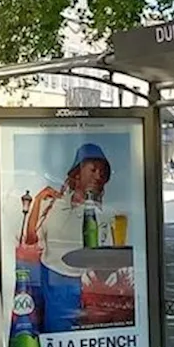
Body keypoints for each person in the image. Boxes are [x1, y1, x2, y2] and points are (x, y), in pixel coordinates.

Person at [18, 143, 111, 333]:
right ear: (77, 174)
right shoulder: (55, 205)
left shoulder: (103, 215)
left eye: (102, 172)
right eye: (93, 170)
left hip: (81, 287)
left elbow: (105, 259)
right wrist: (36, 201)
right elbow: (30, 238)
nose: (98, 175)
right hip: (48, 283)